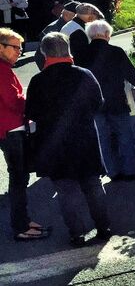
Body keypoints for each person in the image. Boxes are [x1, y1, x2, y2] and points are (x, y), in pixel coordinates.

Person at [25, 32, 112, 247]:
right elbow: (98, 104)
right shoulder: (84, 75)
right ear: (68, 49)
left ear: (44, 53)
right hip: (85, 140)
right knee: (93, 185)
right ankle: (104, 228)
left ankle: (76, 234)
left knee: (66, 191)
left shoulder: (38, 81)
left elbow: (32, 112)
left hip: (54, 145)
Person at [0, 28, 50, 241]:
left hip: (10, 129)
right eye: (15, 47)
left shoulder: (4, 68)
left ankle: (24, 221)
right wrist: (34, 104)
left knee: (20, 178)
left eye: (20, 48)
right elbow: (13, 101)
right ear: (1, 47)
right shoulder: (1, 70)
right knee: (19, 180)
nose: (19, 51)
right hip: (11, 130)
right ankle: (20, 226)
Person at [83, 20, 135, 182]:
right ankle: (130, 171)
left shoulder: (82, 53)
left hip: (94, 105)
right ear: (107, 35)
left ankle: (112, 172)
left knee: (102, 140)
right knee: (125, 137)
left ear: (91, 35)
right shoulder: (116, 52)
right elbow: (131, 74)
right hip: (116, 101)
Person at [35, 1, 78, 70]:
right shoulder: (53, 29)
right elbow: (40, 56)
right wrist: (48, 72)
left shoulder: (68, 26)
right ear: (67, 14)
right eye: (77, 16)